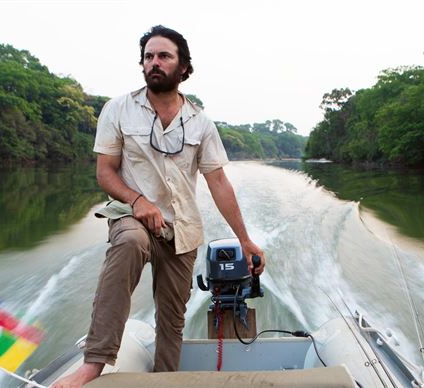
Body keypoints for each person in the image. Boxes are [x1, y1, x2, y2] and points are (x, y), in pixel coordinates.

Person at [51, 25, 265, 388]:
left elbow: (218, 183)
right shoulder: (118, 110)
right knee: (130, 241)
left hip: (182, 229)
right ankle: (94, 362)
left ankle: (165, 379)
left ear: (183, 67)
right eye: (148, 56)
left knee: (172, 317)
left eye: (164, 56)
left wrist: (244, 240)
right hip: (132, 216)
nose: (154, 62)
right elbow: (105, 172)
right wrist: (137, 201)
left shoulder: (200, 122)